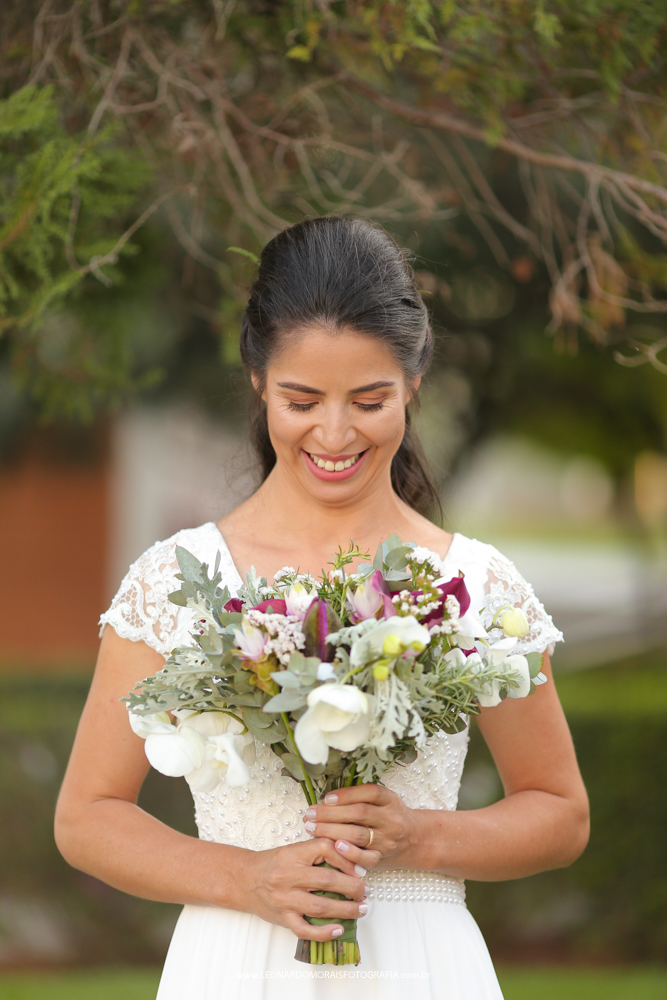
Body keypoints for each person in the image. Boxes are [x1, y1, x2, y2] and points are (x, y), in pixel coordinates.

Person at [55, 216, 590, 999]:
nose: (334, 433)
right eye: (302, 398)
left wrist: (420, 836)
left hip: (422, 965)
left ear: (413, 381)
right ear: (257, 380)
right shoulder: (175, 578)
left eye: (369, 400)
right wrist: (247, 880)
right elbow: (87, 817)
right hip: (234, 964)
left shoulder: (477, 585)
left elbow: (561, 813)